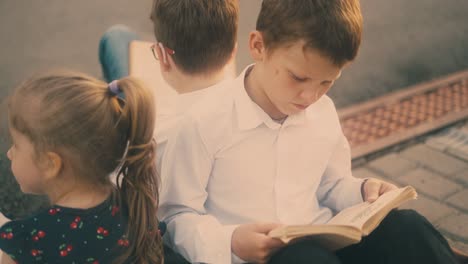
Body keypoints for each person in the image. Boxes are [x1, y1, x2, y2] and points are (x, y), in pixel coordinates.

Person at [158, 0, 460, 263]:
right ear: (258, 46)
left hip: (323, 244)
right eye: (298, 77)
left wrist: (362, 191)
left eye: (326, 82)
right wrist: (231, 241)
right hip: (253, 256)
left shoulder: (322, 113)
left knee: (406, 228)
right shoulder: (204, 122)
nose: (310, 96)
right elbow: (176, 217)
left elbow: (330, 186)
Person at [0, 71, 163, 263]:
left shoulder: (28, 241)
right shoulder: (138, 210)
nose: (9, 153)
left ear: (51, 163)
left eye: (16, 145)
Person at [99, 0, 239, 173]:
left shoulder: (151, 141)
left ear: (162, 57)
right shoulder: (257, 108)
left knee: (116, 37)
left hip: (151, 123)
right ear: (233, 51)